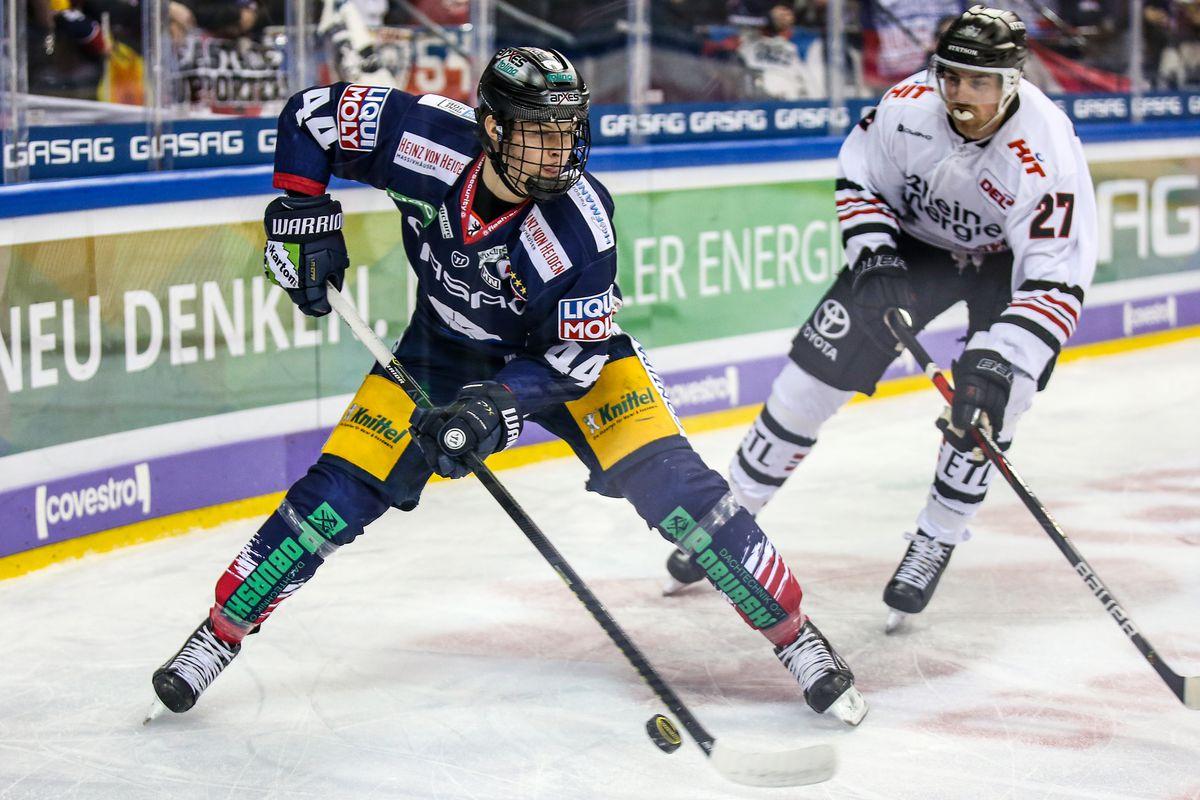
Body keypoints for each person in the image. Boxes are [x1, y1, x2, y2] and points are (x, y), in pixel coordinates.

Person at [150, 47, 868, 726]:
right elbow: (311, 115)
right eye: (540, 135)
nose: (560, 153)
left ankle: (795, 636)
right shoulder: (421, 138)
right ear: (491, 127)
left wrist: (496, 411)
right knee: (331, 500)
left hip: (566, 365)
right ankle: (219, 634)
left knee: (685, 498)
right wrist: (300, 212)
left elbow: (576, 360)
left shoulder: (582, 226)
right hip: (440, 350)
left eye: (569, 133)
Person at [664, 7, 1097, 632]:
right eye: (951, 77)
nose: (960, 95)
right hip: (916, 248)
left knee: (986, 406)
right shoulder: (907, 107)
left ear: (1011, 82)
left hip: (1009, 269)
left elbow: (1054, 280)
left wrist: (999, 364)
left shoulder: (1046, 155)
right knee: (811, 374)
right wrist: (876, 256)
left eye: (979, 82)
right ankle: (731, 512)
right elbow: (859, 178)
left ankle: (937, 536)